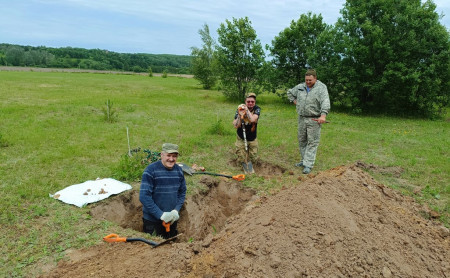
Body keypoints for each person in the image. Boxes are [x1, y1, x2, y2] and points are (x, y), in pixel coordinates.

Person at [287, 69, 330, 174]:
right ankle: (303, 160)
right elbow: (290, 93)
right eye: (306, 80)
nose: (308, 82)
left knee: (312, 142)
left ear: (315, 78)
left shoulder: (321, 88)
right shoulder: (300, 87)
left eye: (310, 80)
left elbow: (325, 101)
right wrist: (295, 101)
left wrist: (323, 115)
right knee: (302, 140)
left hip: (314, 119)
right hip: (302, 118)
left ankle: (308, 164)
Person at [139, 143, 186, 238]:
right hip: (152, 221)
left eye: (174, 156)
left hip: (172, 220)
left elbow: (182, 192)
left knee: (170, 246)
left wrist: (176, 211)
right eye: (168, 155)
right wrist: (161, 215)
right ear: (162, 155)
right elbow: (144, 196)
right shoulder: (150, 170)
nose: (171, 159)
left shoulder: (179, 171)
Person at [233, 93, 261, 174]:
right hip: (241, 137)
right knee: (241, 156)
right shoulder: (239, 109)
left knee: (253, 157)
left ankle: (250, 162)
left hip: (252, 137)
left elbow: (252, 120)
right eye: (248, 101)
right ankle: (243, 164)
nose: (250, 103)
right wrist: (239, 115)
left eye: (252, 101)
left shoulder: (257, 109)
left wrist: (246, 110)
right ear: (245, 102)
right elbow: (236, 125)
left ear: (255, 102)